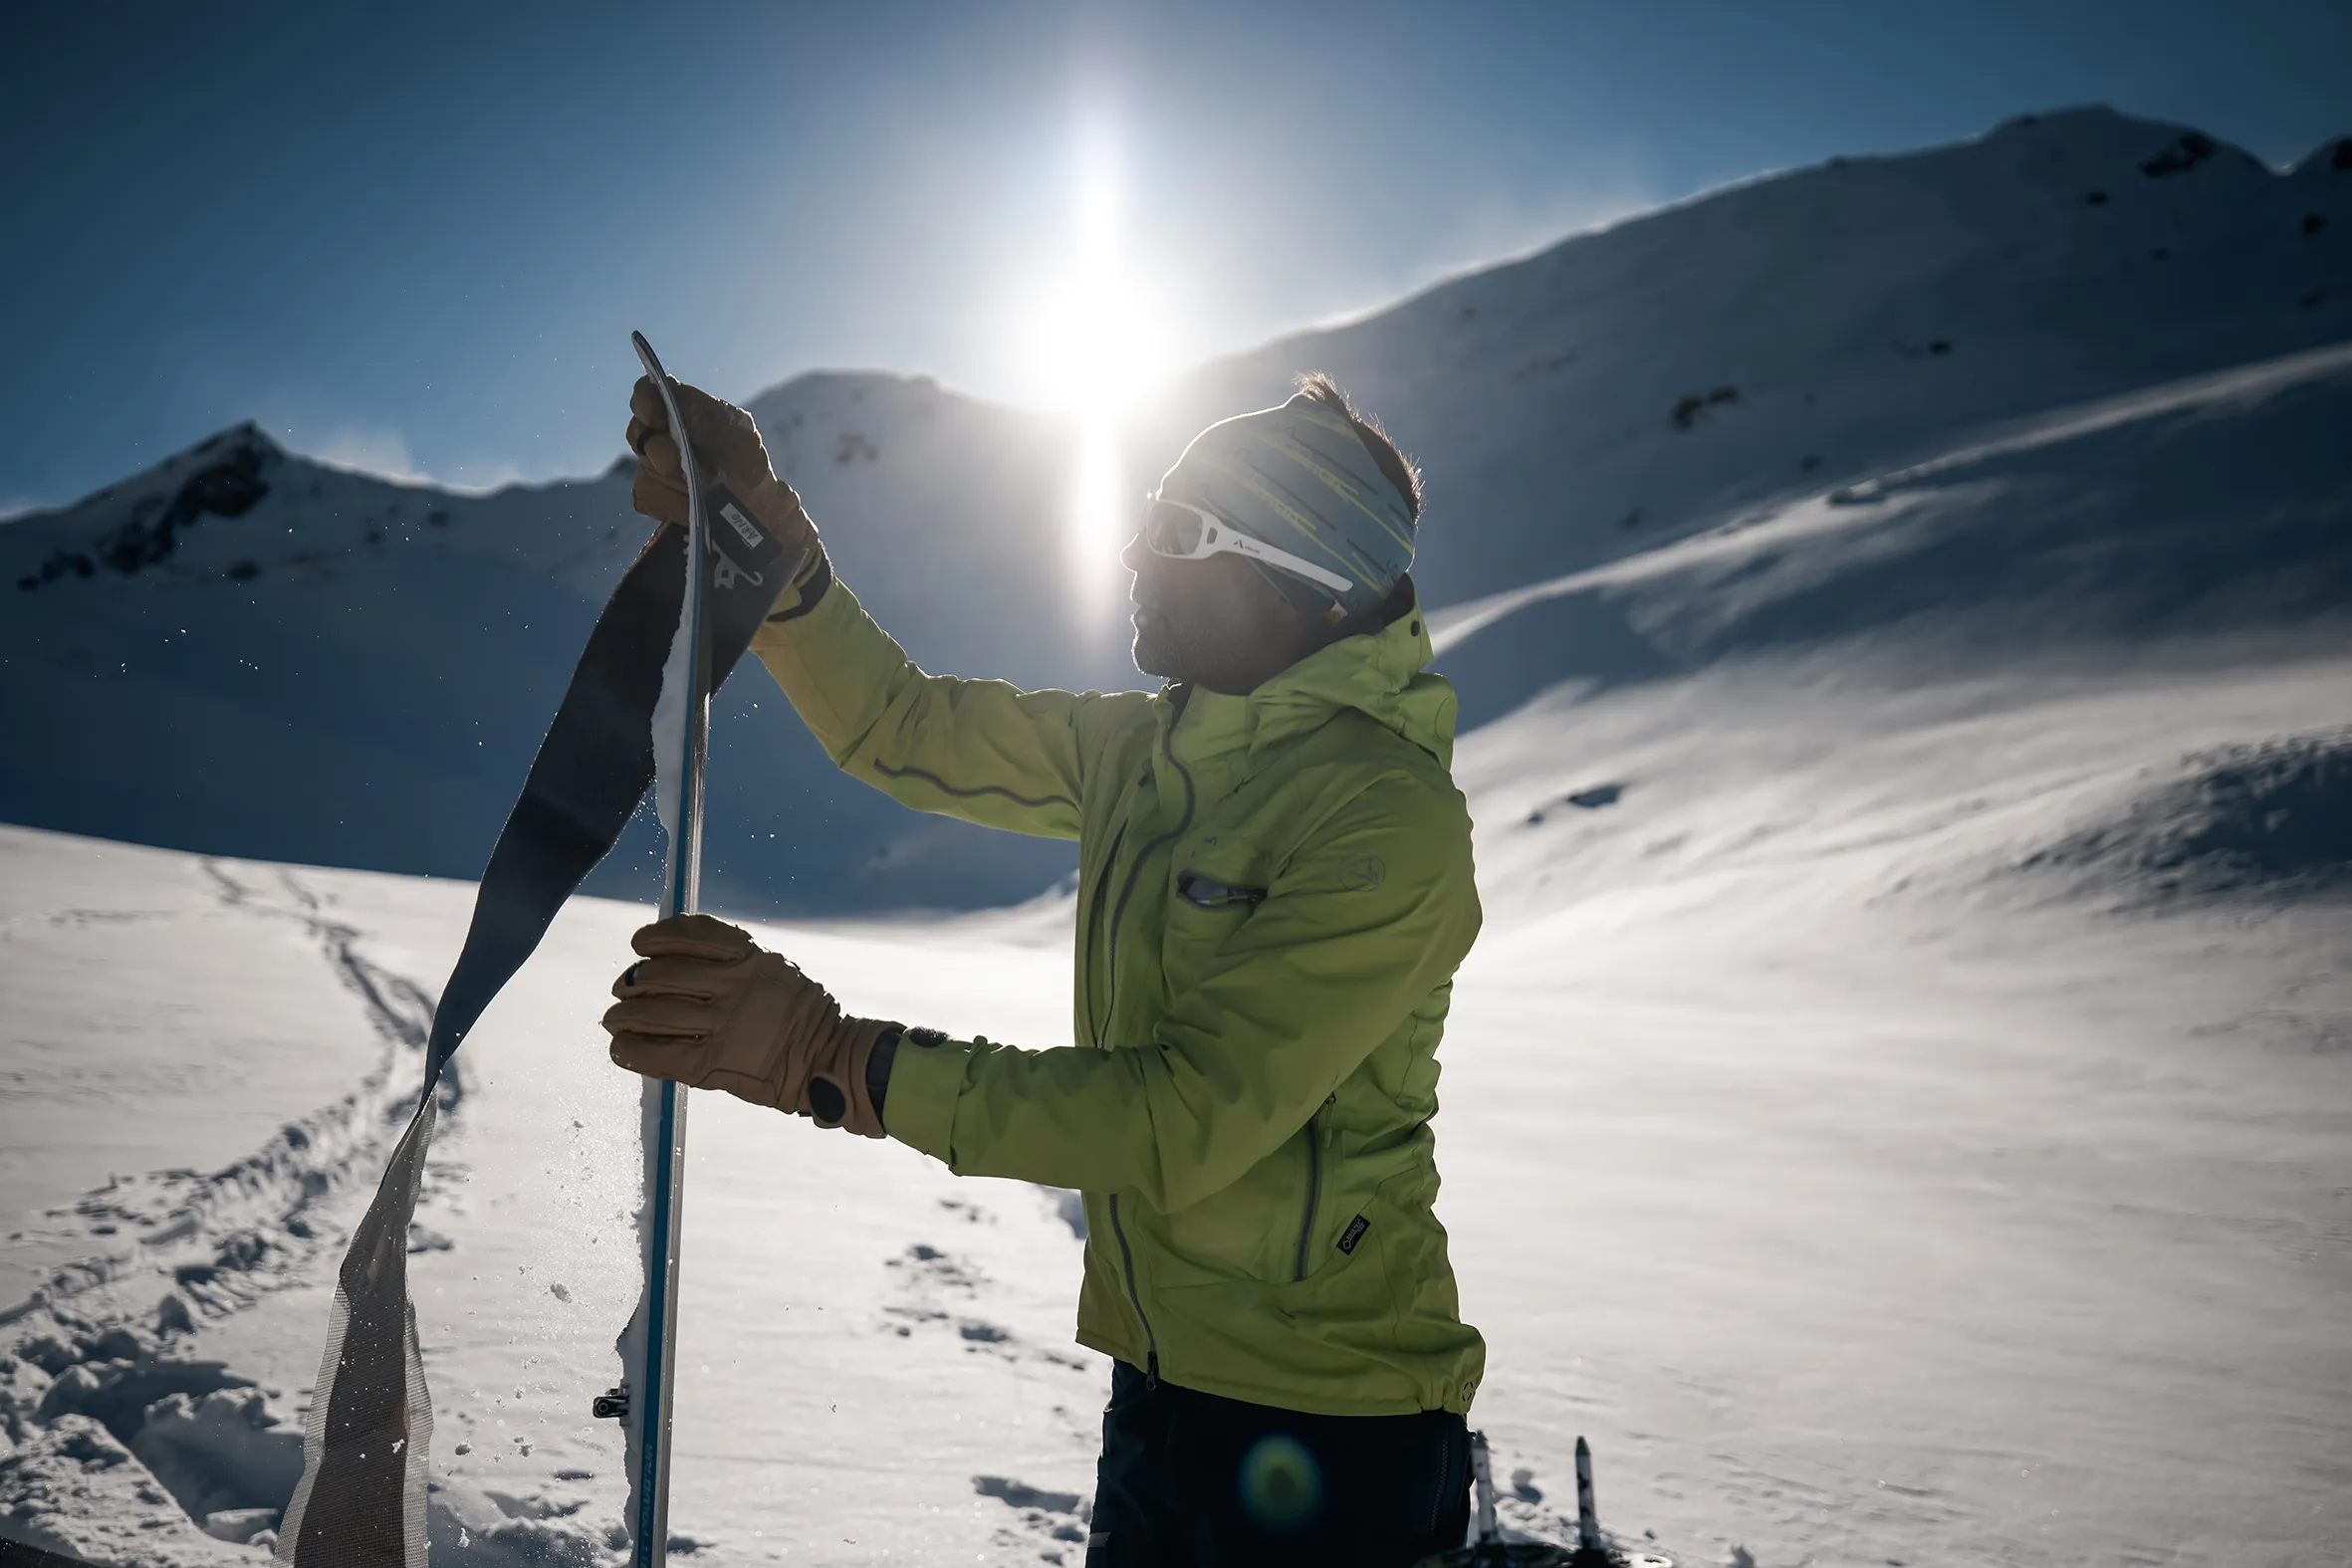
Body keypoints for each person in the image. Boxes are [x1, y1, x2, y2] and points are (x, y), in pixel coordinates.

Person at [606, 370, 1485, 1568]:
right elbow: (905, 728)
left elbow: (1180, 1119)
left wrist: (836, 1061)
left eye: (1181, 532)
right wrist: (770, 551)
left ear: (1300, 579)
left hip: (1337, 1423)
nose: (1132, 551)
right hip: (1160, 1385)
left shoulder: (1385, 818)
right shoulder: (1146, 751)